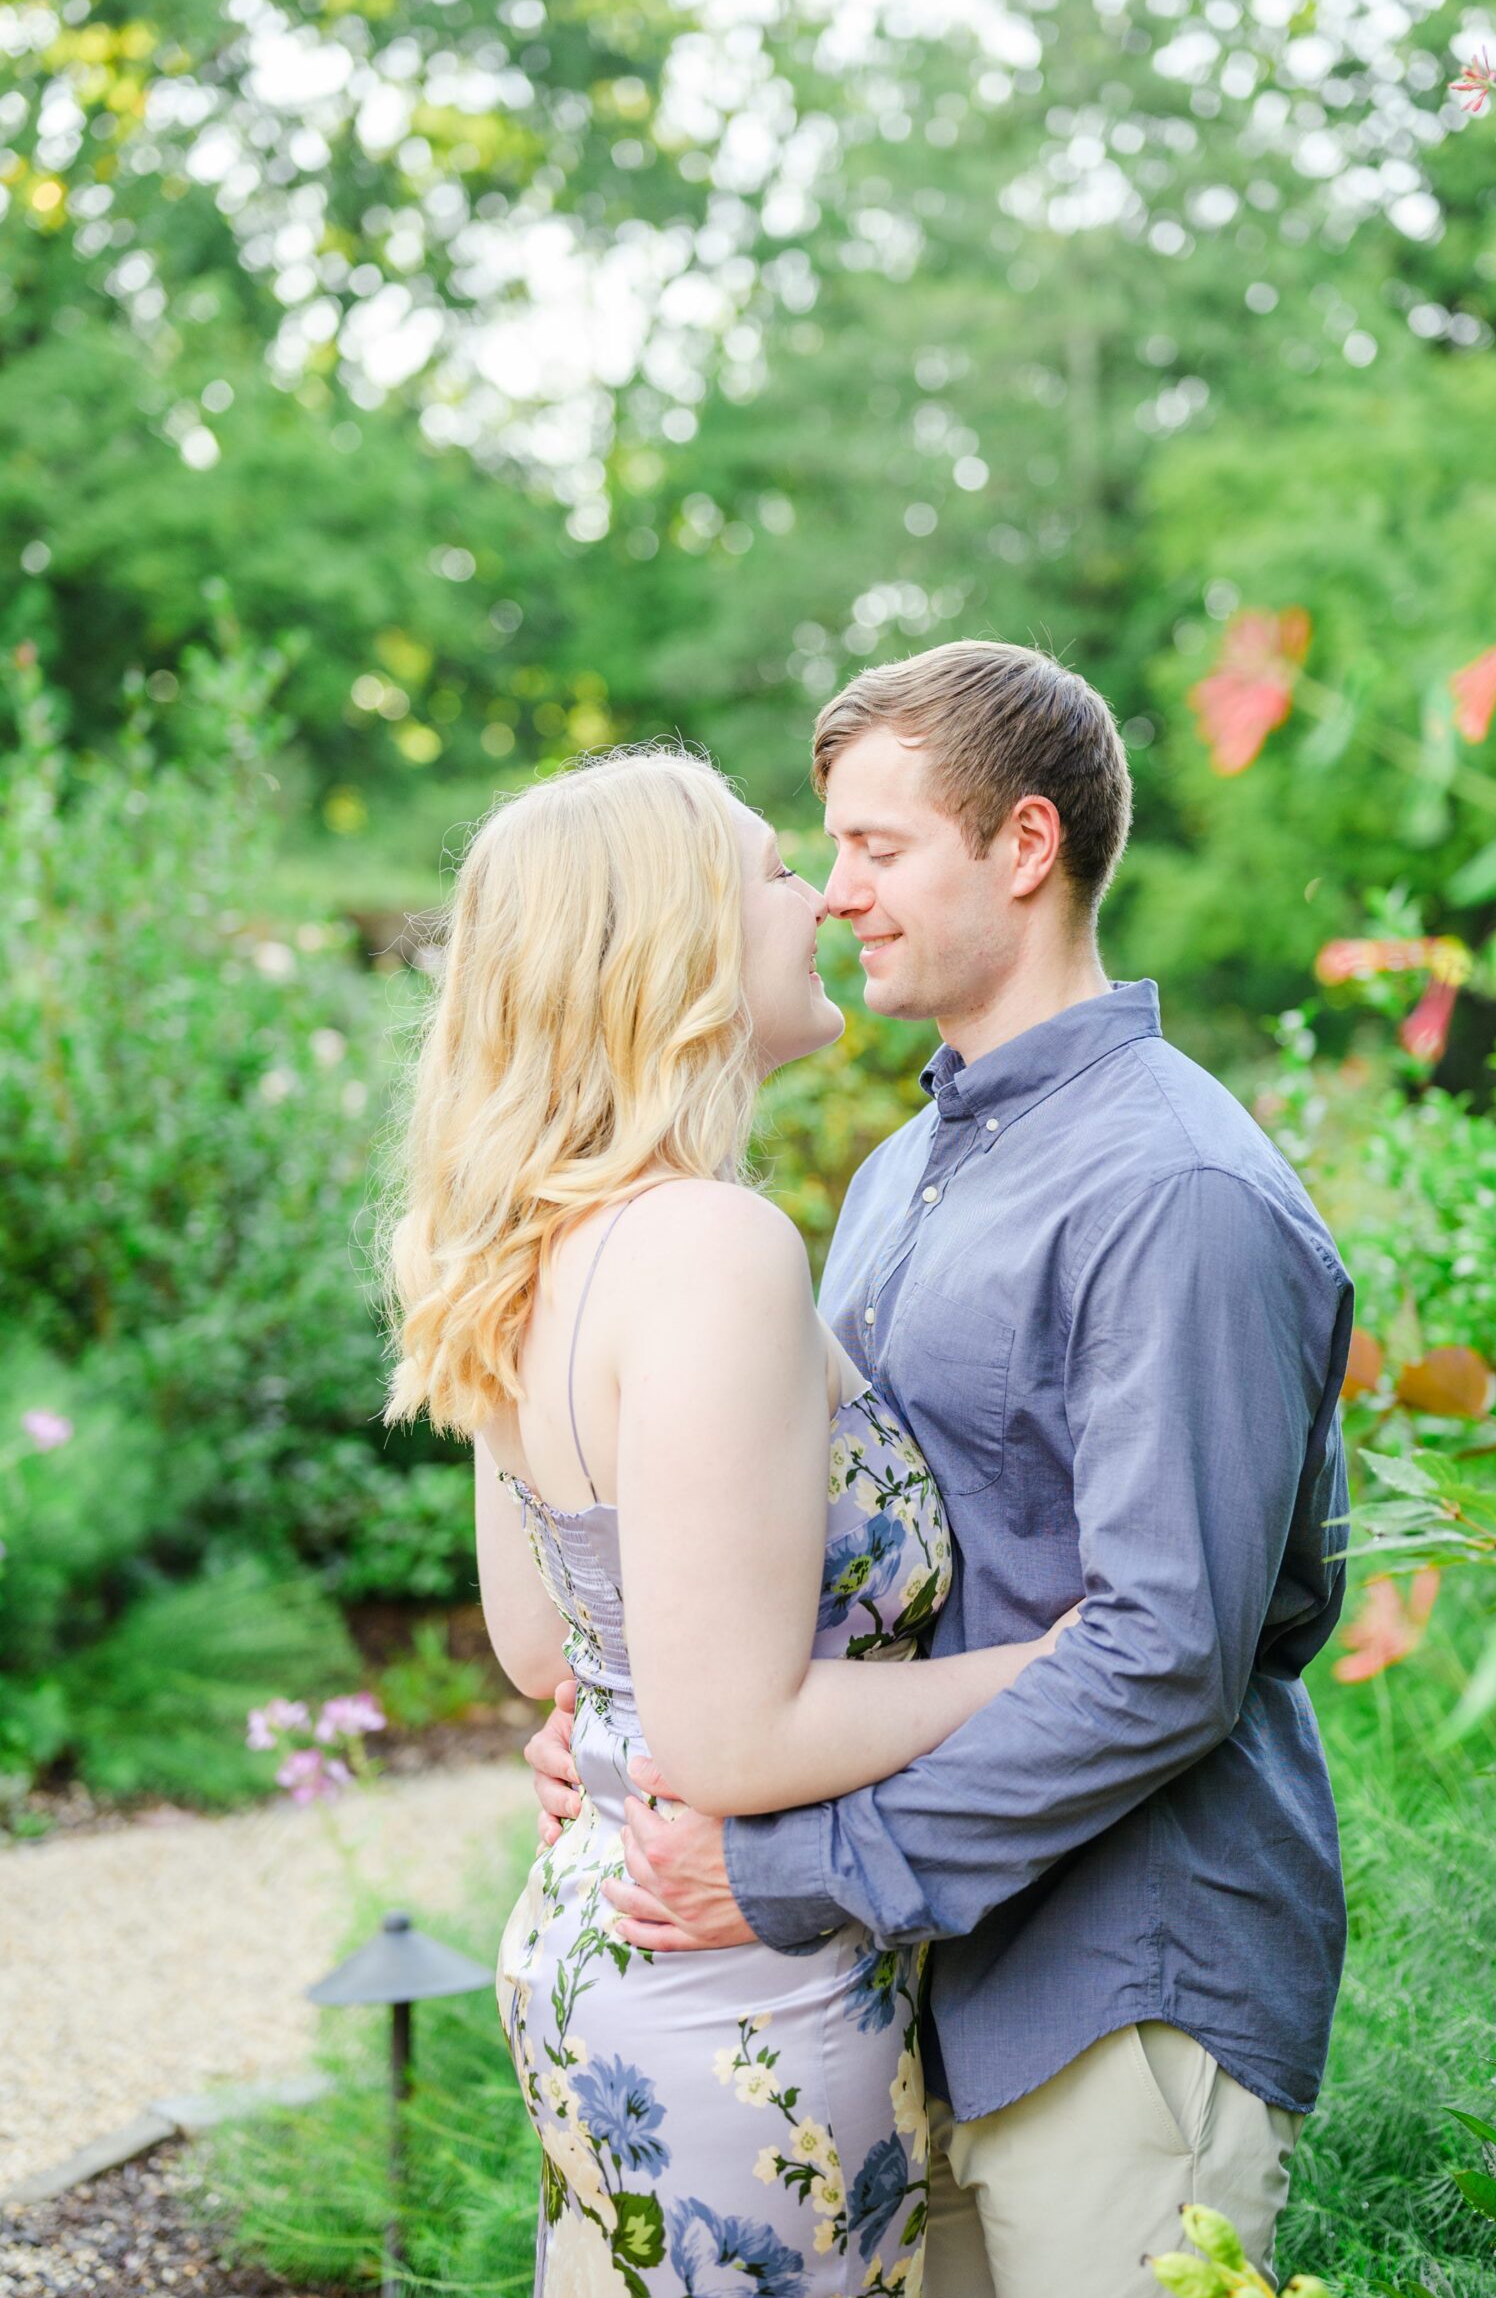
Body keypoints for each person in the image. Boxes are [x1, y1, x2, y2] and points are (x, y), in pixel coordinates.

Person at [526, 641, 1353, 2298]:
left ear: (1026, 847)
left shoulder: (1173, 1190)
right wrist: (626, 1722)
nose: (837, 896)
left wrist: (794, 1872)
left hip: (1119, 1989)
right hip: (913, 1987)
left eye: (878, 848)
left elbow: (1165, 1654)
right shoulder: (908, 1167)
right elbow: (832, 1557)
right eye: (827, 854)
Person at [384, 745, 1082, 2298]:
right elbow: (734, 1741)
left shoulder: (532, 1238)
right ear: (673, 942)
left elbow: (537, 1647)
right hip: (732, 1987)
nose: (822, 897)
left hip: (602, 1938)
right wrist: (1054, 1663)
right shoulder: (712, 1247)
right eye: (776, 870)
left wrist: (634, 1721)